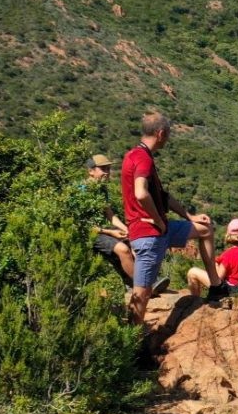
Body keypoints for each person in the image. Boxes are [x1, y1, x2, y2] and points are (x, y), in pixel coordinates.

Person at [123, 113, 227, 324]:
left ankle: (216, 286)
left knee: (205, 229)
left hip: (160, 230)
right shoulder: (143, 159)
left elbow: (163, 197)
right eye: (168, 134)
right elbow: (141, 193)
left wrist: (189, 216)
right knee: (141, 294)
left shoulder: (135, 155)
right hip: (149, 234)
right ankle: (132, 339)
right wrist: (158, 220)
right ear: (161, 133)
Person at [83, 153, 140, 289]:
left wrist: (127, 230)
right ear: (91, 171)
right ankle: (141, 286)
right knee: (123, 249)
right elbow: (82, 224)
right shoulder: (82, 191)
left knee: (136, 241)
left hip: (101, 228)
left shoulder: (101, 189)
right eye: (103, 169)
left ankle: (145, 279)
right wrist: (111, 232)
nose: (107, 172)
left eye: (108, 169)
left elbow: (110, 215)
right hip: (88, 231)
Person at [188, 218, 238, 296]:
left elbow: (218, 278)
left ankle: (195, 300)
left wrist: (216, 265)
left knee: (192, 272)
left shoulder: (228, 254)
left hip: (230, 289)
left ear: (228, 234)